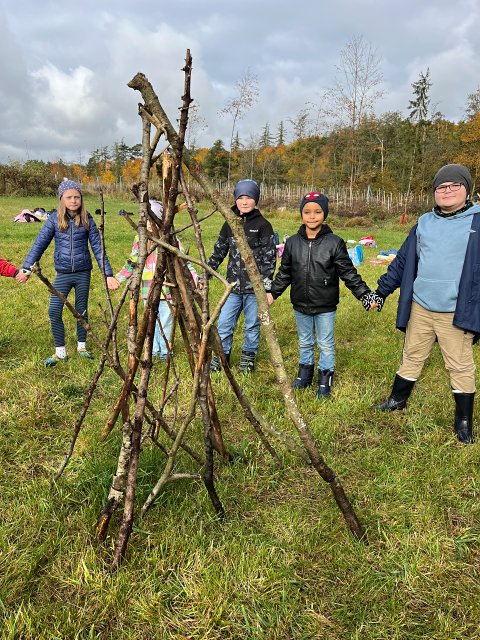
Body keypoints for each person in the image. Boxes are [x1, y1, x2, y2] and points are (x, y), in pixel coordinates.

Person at [373, 164, 480, 444]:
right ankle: (397, 401)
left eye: (455, 185)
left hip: (455, 311)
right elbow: (403, 261)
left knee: (460, 365)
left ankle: (464, 421)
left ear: (467, 190)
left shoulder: (477, 222)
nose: (447, 190)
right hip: (421, 306)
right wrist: (381, 292)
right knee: (412, 354)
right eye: (441, 186)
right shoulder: (424, 223)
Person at [267, 191, 380, 398]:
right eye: (307, 212)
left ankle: (324, 380)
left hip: (325, 305)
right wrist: (272, 293)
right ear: (301, 214)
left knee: (325, 344)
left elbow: (348, 273)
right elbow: (284, 273)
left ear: (325, 214)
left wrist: (365, 295)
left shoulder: (334, 243)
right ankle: (304, 375)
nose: (312, 216)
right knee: (305, 341)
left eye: (317, 212)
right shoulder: (292, 243)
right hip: (300, 303)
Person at [20, 179, 119, 366]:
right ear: (61, 199)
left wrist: (108, 274)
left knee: (81, 310)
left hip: (83, 273)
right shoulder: (54, 219)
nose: (73, 200)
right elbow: (39, 244)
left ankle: (82, 347)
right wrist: (26, 269)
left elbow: (98, 248)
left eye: (77, 197)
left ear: (81, 198)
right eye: (69, 197)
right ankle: (60, 352)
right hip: (63, 274)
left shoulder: (87, 219)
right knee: (54, 310)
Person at [203, 179, 276, 373]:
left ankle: (248, 358)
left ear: (256, 200)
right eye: (241, 197)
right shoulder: (229, 224)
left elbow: (269, 259)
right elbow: (219, 251)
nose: (244, 202)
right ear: (235, 199)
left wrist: (267, 288)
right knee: (225, 323)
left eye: (249, 197)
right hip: (233, 287)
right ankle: (222, 356)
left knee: (252, 325)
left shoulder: (263, 225)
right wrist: (206, 274)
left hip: (255, 290)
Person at [114, 200, 198, 360]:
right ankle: (152, 349)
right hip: (149, 288)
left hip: (168, 289)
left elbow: (184, 263)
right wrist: (119, 278)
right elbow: (133, 261)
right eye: (145, 219)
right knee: (151, 320)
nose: (149, 223)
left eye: (152, 219)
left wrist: (194, 278)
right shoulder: (140, 239)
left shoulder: (171, 239)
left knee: (165, 321)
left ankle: (165, 351)